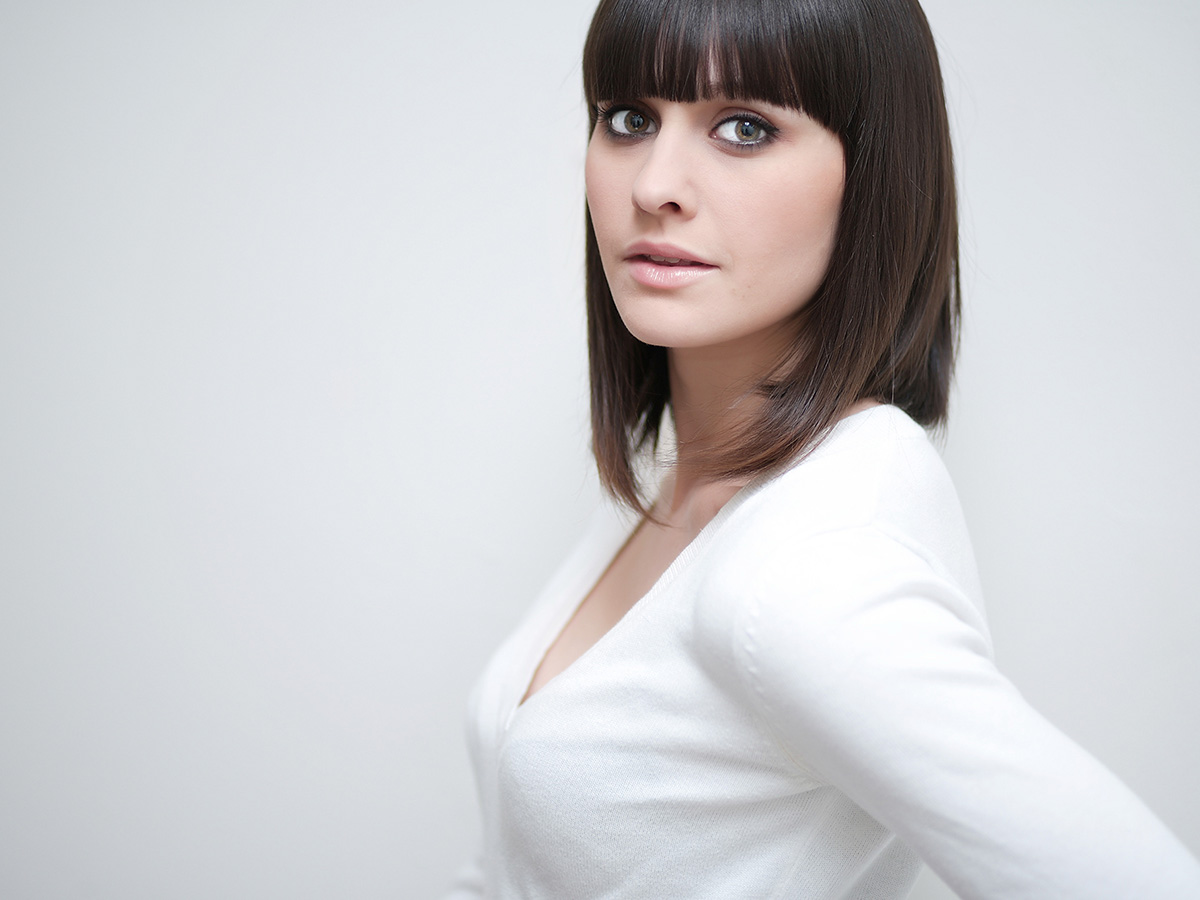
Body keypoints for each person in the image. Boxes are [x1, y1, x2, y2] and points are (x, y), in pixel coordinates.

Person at [444, 0, 1200, 896]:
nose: (654, 185)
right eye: (629, 119)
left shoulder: (810, 563)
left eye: (744, 127)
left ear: (874, 178)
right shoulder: (700, 487)